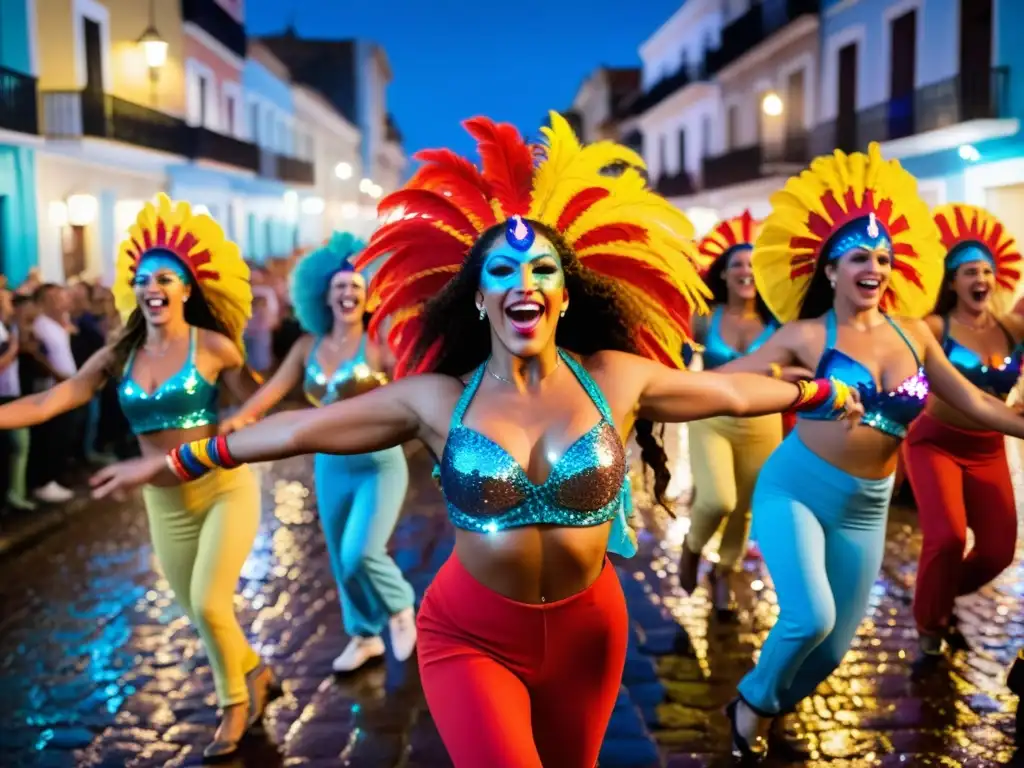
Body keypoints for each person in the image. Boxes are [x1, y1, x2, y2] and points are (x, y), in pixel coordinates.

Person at [89, 113, 862, 768]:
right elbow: (302, 426)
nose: (524, 280)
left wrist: (821, 390)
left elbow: (731, 389)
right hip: (470, 635)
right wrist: (180, 459)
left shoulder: (615, 379)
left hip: (591, 635)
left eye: (542, 267)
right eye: (503, 269)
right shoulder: (438, 399)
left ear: (566, 291)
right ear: (480, 294)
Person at [714, 142, 1024, 759]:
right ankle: (751, 707)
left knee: (831, 651)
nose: (874, 268)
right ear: (830, 269)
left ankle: (764, 703)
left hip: (867, 506)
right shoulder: (804, 335)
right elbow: (731, 383)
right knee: (810, 618)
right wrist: (648, 394)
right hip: (797, 487)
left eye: (882, 258)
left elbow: (978, 402)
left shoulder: (913, 334)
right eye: (860, 256)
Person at [0, 194, 276, 759]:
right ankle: (256, 672)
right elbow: (54, 398)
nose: (154, 286)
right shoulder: (118, 353)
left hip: (223, 488)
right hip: (163, 505)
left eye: (167, 278)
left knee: (207, 601)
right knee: (200, 611)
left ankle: (234, 706)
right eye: (145, 277)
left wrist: (242, 421)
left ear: (187, 288)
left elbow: (259, 404)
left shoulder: (215, 347)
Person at [220, 232, 417, 673]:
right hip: (330, 466)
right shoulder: (306, 347)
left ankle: (401, 607)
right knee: (340, 561)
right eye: (339, 288)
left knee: (360, 552)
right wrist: (240, 421)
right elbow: (272, 391)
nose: (347, 294)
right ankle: (364, 636)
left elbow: (416, 390)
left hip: (378, 465)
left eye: (356, 287)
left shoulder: (380, 347)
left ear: (368, 296)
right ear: (323, 296)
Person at [903, 203, 1023, 661]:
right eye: (970, 271)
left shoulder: (1013, 328)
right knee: (948, 537)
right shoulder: (934, 327)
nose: (982, 279)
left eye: (988, 271)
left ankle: (934, 595)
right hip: (935, 444)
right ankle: (930, 628)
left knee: (996, 553)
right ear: (951, 281)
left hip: (990, 449)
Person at [678, 211, 788, 619]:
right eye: (737, 264)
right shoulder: (706, 319)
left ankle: (723, 572)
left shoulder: (779, 323)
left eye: (753, 264)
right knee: (717, 500)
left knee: (745, 507)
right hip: (712, 418)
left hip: (763, 423)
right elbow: (676, 359)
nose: (746, 270)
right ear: (723, 275)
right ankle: (691, 550)